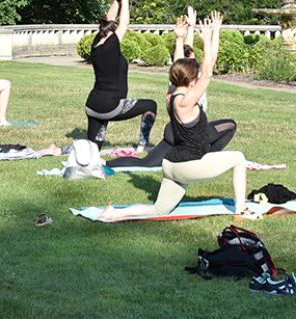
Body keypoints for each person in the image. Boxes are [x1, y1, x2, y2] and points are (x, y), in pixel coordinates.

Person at [97, 12, 254, 221]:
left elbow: (179, 65)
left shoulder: (171, 95)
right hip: (187, 166)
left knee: (159, 210)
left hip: (170, 165)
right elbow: (208, 69)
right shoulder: (186, 101)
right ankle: (241, 211)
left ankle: (115, 213)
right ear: (192, 80)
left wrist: (180, 39)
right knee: (238, 158)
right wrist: (211, 37)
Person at [107, 7, 237, 169]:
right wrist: (212, 35)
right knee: (230, 125)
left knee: (146, 163)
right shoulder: (193, 89)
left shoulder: (174, 84)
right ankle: (207, 159)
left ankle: (104, 164)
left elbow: (180, 60)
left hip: (173, 132)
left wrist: (182, 36)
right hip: (191, 135)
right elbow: (209, 65)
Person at [85, 0, 156, 151]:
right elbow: (123, 23)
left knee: (93, 150)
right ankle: (143, 145)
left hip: (92, 106)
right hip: (111, 107)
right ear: (112, 32)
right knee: (151, 105)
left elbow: (108, 20)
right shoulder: (111, 46)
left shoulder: (97, 43)